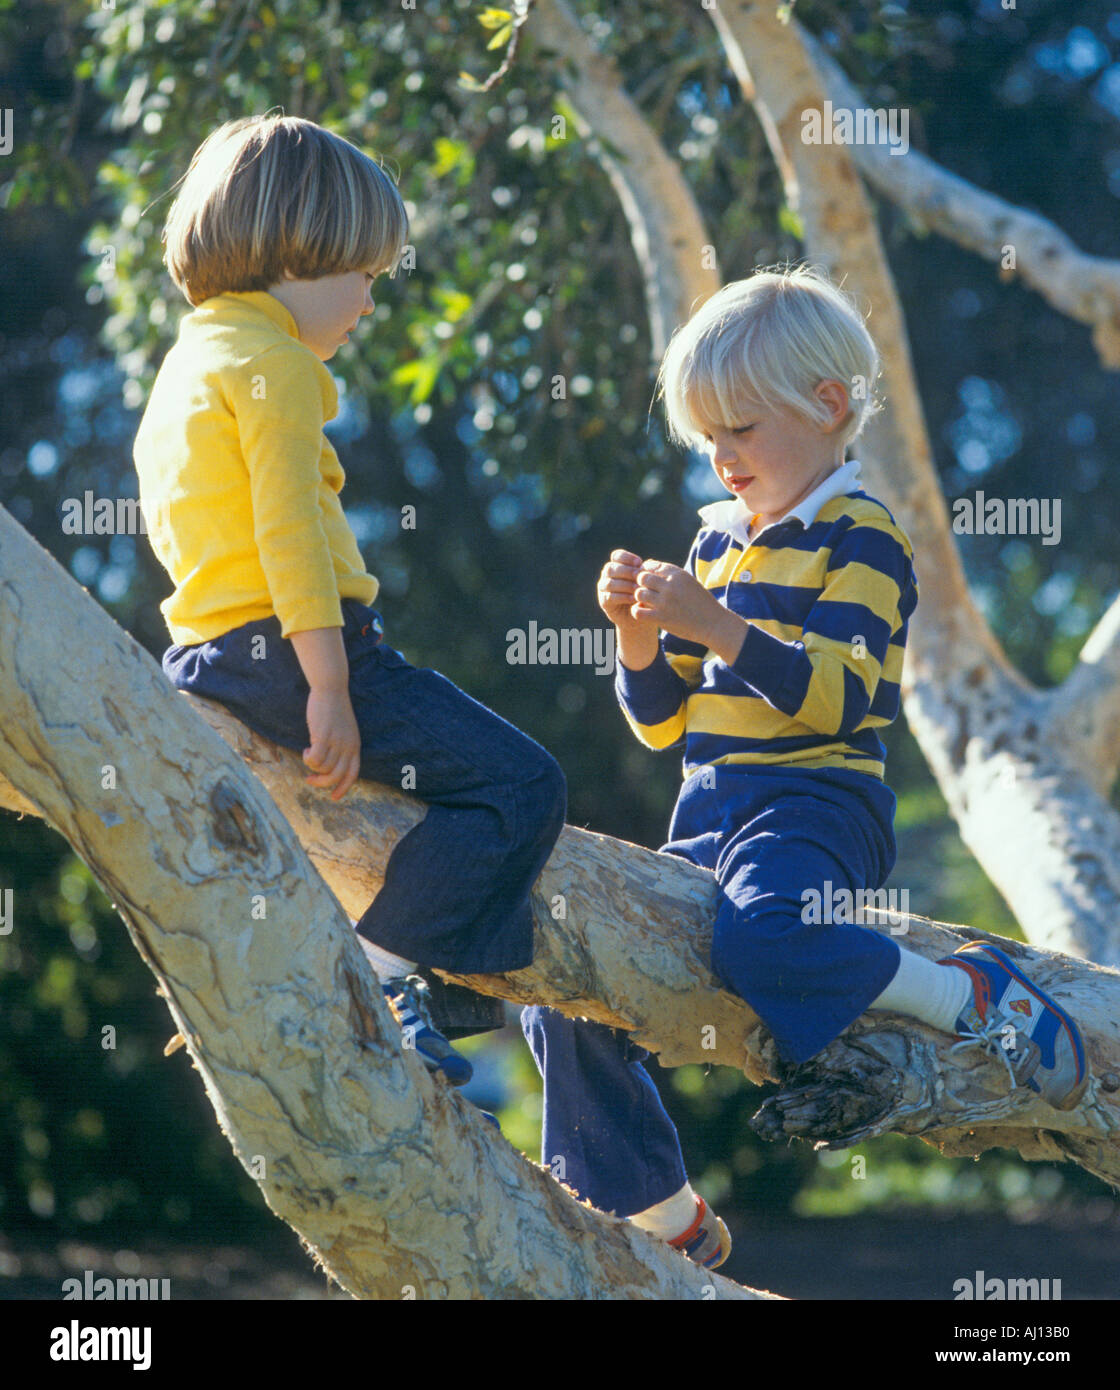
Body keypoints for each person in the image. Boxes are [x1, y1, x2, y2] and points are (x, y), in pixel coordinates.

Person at [523, 264, 1087, 1265]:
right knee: (565, 976)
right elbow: (665, 727)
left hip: (815, 804)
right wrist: (638, 641)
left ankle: (967, 994)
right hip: (709, 809)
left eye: (739, 428)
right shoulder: (716, 547)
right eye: (707, 436)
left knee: (765, 937)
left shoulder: (862, 538)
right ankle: (657, 1214)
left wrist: (714, 623)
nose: (720, 456)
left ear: (826, 406)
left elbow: (834, 698)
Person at [133, 112, 566, 1092]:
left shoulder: (189, 361)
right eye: (364, 276)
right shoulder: (279, 364)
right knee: (520, 784)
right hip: (297, 648)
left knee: (430, 795)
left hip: (209, 651)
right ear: (299, 254)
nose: (370, 301)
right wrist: (327, 680)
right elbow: (288, 531)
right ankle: (376, 982)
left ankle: (431, 994)